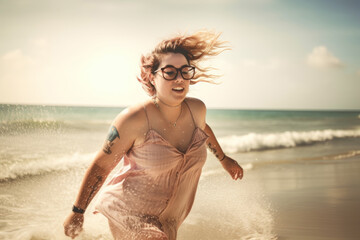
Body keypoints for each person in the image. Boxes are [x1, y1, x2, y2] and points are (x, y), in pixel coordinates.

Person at [63, 30, 244, 240]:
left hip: (169, 220)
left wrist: (223, 159)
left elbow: (203, 129)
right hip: (129, 213)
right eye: (170, 72)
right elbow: (102, 166)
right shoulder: (133, 119)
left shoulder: (197, 110)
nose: (180, 78)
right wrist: (77, 212)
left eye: (185, 71)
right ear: (152, 76)